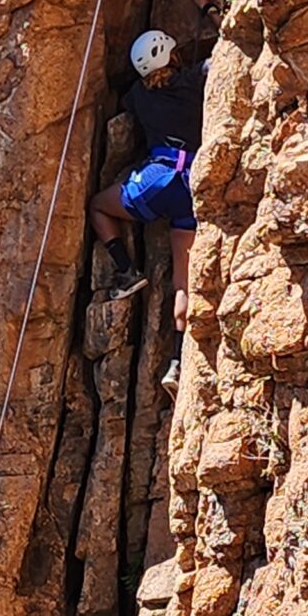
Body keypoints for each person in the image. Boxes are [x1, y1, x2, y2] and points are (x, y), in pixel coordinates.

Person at [87, 27, 207, 391]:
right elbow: (221, 55)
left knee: (98, 206)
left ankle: (127, 270)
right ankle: (176, 361)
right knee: (183, 282)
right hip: (192, 182)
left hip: (158, 179)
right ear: (172, 55)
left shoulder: (139, 96)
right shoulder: (192, 80)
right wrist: (208, 12)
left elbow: (126, 101)